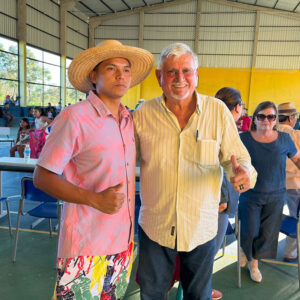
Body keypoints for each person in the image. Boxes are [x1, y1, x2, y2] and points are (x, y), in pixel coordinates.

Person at [133, 43, 257, 300]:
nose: (180, 79)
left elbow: (240, 157)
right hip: (155, 226)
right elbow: (122, 159)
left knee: (197, 296)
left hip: (200, 227)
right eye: (171, 72)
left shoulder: (217, 111)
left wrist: (244, 172)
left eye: (186, 71)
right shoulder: (143, 115)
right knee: (152, 294)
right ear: (159, 77)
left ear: (197, 74)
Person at [33, 40, 154, 299]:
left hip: (122, 243)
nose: (121, 75)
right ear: (93, 76)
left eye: (126, 69)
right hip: (86, 246)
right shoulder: (74, 117)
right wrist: (95, 199)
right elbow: (42, 176)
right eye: (111, 68)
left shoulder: (127, 120)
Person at [239, 101, 300, 283]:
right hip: (250, 195)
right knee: (249, 229)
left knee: (267, 233)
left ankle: (254, 263)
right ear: (255, 119)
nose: (266, 120)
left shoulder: (284, 139)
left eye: (271, 116)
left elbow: (297, 158)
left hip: (276, 196)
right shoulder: (244, 138)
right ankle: (246, 250)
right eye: (261, 116)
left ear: (275, 120)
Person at [214, 87, 243, 252]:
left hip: (218, 199)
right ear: (237, 107)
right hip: (219, 202)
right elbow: (218, 165)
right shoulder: (225, 129)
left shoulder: (216, 125)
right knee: (208, 255)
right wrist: (223, 198)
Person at [277, 102, 300, 261]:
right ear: (291, 117)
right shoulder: (296, 135)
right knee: (296, 217)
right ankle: (291, 252)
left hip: (271, 184)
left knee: (266, 215)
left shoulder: (266, 133)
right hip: (293, 184)